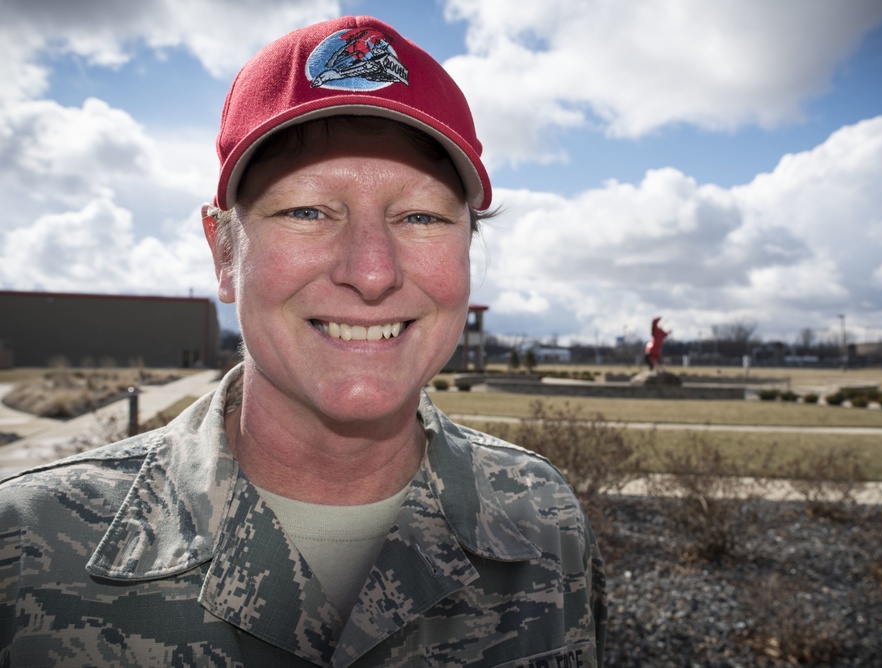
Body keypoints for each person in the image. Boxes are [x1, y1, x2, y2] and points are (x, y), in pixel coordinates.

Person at [0, 16, 606, 667]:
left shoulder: (543, 521)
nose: (372, 271)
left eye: (421, 216)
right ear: (225, 252)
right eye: (308, 210)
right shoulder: (28, 547)